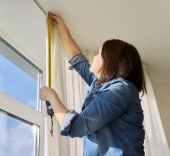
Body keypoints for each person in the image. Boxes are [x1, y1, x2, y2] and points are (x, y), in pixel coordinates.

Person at [39, 12, 146, 156]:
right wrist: (62, 27)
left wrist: (51, 96)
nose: (95, 56)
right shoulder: (100, 86)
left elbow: (77, 126)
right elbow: (77, 59)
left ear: (110, 61)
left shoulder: (121, 89)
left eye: (98, 53)